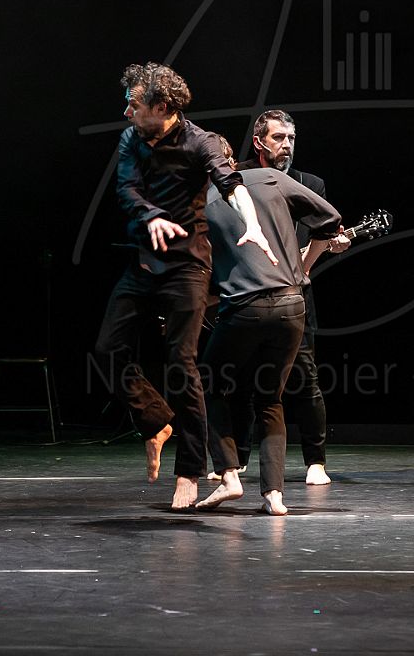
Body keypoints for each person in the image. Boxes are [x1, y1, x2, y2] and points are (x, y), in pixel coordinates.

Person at [91, 62, 276, 510]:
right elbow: (126, 189)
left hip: (188, 266)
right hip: (144, 262)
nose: (127, 112)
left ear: (161, 106)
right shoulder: (132, 138)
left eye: (134, 104)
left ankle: (189, 472)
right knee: (107, 350)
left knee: (181, 363)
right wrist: (151, 216)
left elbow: (231, 184)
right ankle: (156, 421)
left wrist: (252, 225)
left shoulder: (200, 141)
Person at [197, 137, 343, 516]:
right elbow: (330, 220)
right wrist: (302, 269)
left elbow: (200, 271)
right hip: (292, 305)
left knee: (208, 384)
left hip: (244, 306)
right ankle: (274, 495)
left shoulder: (203, 201)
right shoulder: (270, 178)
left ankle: (229, 474)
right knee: (270, 398)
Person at [227, 110, 350, 487]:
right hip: (246, 290)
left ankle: (316, 461)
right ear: (259, 141)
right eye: (278, 137)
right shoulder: (238, 177)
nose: (286, 145)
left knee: (305, 379)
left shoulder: (308, 184)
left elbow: (324, 231)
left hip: (295, 295)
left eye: (291, 138)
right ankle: (238, 459)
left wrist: (305, 266)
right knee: (241, 381)